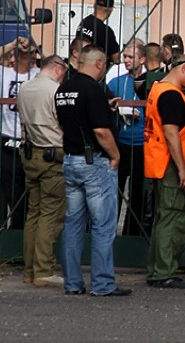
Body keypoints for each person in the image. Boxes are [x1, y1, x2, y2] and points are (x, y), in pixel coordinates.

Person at [55, 45, 131, 297]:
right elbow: (100, 130)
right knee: (102, 225)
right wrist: (116, 155)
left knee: (74, 224)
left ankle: (73, 283)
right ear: (98, 64)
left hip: (71, 159)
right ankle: (102, 283)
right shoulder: (93, 90)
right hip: (94, 161)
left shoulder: (64, 88)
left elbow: (72, 121)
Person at [144, 53, 185, 289]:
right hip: (173, 166)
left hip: (163, 164)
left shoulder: (167, 92)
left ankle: (158, 269)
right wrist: (182, 169)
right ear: (183, 69)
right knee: (172, 220)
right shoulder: (171, 95)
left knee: (164, 219)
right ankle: (163, 272)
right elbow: (172, 134)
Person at [17, 54, 68, 287]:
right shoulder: (55, 91)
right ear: (58, 69)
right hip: (52, 154)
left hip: (30, 153)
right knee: (51, 214)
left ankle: (29, 269)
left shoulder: (25, 88)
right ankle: (43, 270)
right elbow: (62, 123)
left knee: (34, 213)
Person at [0, 37, 39, 229]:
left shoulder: (39, 74)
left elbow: (60, 67)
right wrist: (11, 45)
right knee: (12, 195)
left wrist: (37, 50)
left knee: (30, 197)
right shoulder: (4, 73)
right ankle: (14, 234)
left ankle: (20, 234)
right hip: (7, 140)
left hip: (30, 142)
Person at [106, 39, 148, 236]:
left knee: (138, 195)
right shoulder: (116, 82)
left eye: (131, 57)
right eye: (125, 56)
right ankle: (109, 234)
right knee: (114, 192)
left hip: (142, 144)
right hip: (120, 143)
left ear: (143, 58)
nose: (126, 60)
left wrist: (142, 112)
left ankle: (132, 236)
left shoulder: (150, 83)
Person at [76, 0, 120, 64]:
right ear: (110, 10)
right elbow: (116, 58)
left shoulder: (84, 22)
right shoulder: (105, 30)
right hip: (96, 69)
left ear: (94, 6)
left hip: (81, 64)